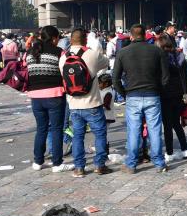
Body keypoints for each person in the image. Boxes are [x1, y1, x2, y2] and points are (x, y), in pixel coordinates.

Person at [112, 23, 169, 174]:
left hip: (132, 95)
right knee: (155, 130)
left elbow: (115, 79)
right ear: (145, 35)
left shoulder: (123, 52)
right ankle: (159, 162)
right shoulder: (156, 51)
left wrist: (124, 93)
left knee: (134, 131)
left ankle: (131, 164)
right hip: (152, 94)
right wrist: (159, 90)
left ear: (131, 36)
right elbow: (165, 77)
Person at [60, 28, 111, 177]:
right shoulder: (91, 54)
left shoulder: (64, 58)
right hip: (92, 103)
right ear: (85, 39)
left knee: (78, 136)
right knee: (100, 134)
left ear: (71, 40)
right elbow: (106, 62)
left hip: (74, 104)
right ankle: (99, 165)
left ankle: (79, 168)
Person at [26, 26, 71, 172]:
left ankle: (38, 162)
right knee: (57, 129)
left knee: (41, 129)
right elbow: (66, 73)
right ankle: (57, 163)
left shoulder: (30, 53)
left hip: (36, 96)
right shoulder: (59, 52)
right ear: (54, 38)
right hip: (55, 95)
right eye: (58, 38)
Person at [156, 34, 187, 162]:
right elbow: (185, 78)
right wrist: (186, 94)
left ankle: (169, 152)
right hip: (180, 94)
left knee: (167, 125)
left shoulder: (162, 58)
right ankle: (185, 150)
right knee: (177, 124)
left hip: (166, 95)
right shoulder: (180, 57)